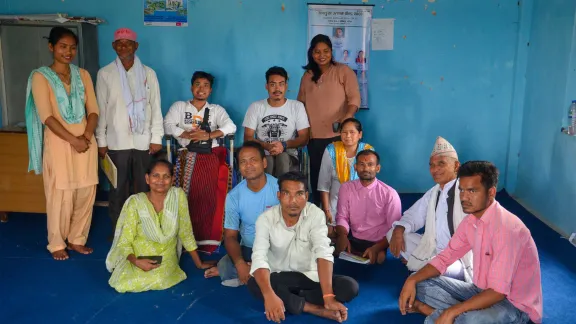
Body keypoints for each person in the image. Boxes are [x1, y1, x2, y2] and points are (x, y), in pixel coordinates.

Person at [398, 161, 542, 324]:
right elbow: (445, 258)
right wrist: (412, 280)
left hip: (513, 304)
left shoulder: (507, 230)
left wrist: (453, 310)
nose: (464, 197)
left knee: (473, 320)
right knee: (419, 283)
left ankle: (433, 312)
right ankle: (451, 316)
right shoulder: (470, 222)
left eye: (472, 191)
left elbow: (498, 292)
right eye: (462, 190)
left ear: (491, 192)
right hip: (480, 290)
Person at [25, 27, 99, 260]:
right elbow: (46, 117)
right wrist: (73, 140)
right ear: (52, 47)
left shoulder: (83, 75)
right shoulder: (40, 76)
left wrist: (85, 137)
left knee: (86, 191)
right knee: (60, 193)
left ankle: (77, 239)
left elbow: (94, 110)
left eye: (72, 47)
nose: (68, 52)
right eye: (63, 47)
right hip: (59, 142)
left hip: (86, 141)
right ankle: (56, 242)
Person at [248, 171, 359, 323]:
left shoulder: (316, 215)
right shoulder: (265, 219)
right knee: (255, 282)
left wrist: (328, 296)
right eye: (287, 194)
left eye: (299, 194)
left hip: (309, 277)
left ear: (306, 196)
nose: (293, 201)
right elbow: (259, 257)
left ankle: (290, 300)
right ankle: (314, 308)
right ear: (279, 195)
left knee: (349, 287)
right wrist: (269, 295)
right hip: (279, 276)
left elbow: (323, 251)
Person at [106, 159, 216, 293]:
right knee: (122, 284)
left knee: (160, 279)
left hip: (165, 257)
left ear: (172, 179)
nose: (160, 180)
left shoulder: (178, 196)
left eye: (166, 176)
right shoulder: (136, 202)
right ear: (147, 178)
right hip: (138, 256)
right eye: (155, 175)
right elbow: (124, 242)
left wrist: (199, 264)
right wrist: (136, 261)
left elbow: (185, 231)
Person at [95, 28, 164, 236]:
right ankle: (120, 232)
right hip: (116, 141)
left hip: (144, 141)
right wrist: (101, 140)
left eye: (128, 43)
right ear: (114, 46)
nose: (124, 47)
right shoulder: (105, 73)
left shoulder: (149, 73)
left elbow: (155, 106)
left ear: (136, 46)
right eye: (120, 43)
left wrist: (156, 137)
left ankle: (143, 230)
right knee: (117, 190)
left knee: (143, 189)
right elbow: (102, 108)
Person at [164, 71, 237, 254]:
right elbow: (167, 124)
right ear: (191, 87)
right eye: (197, 84)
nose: (201, 88)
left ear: (210, 90)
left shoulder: (216, 110)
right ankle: (184, 236)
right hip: (187, 152)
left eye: (205, 85)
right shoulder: (180, 107)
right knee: (186, 180)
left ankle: (209, 237)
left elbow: (231, 127)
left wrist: (209, 135)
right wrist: (186, 134)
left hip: (211, 153)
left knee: (213, 180)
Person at [387, 137, 473, 281]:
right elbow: (414, 215)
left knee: (445, 268)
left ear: (456, 166)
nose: (435, 169)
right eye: (431, 165)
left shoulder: (468, 191)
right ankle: (426, 269)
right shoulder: (434, 192)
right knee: (393, 234)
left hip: (459, 258)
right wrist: (399, 229)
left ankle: (421, 268)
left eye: (441, 163)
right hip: (434, 248)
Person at [203, 142, 279, 287]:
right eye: (243, 162)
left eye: (253, 160)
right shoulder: (234, 196)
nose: (248, 165)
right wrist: (239, 263)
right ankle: (253, 271)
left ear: (264, 163)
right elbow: (230, 236)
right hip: (249, 249)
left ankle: (256, 272)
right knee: (227, 264)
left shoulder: (279, 189)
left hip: (276, 249)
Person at [298, 34, 361, 205]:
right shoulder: (307, 76)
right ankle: (321, 217)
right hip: (315, 136)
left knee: (341, 177)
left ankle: (344, 216)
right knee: (319, 178)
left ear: (332, 52)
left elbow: (354, 99)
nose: (322, 55)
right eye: (317, 51)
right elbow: (300, 104)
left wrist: (347, 118)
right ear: (311, 53)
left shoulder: (343, 71)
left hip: (338, 135)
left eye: (326, 51)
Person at [334, 150, 402, 264]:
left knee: (380, 259)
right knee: (335, 250)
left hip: (379, 242)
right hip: (354, 238)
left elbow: (394, 229)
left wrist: (378, 247)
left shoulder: (389, 194)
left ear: (378, 168)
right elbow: (342, 217)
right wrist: (343, 236)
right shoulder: (346, 188)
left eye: (370, 165)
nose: (365, 169)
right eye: (361, 164)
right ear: (355, 167)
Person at [243, 66, 310, 178]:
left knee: (282, 157)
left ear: (286, 86)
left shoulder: (296, 106)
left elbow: (304, 138)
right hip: (262, 154)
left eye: (281, 84)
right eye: (273, 84)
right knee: (267, 160)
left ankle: (281, 192)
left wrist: (283, 145)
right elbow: (247, 137)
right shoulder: (256, 107)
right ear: (267, 86)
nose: (277, 88)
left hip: (289, 155)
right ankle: (270, 193)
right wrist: (266, 146)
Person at [318, 118, 373, 232]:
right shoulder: (331, 150)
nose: (348, 136)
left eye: (352, 132)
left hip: (362, 204)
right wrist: (327, 211)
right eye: (344, 132)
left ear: (360, 134)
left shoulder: (368, 151)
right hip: (335, 205)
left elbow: (371, 184)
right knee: (332, 234)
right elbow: (324, 184)